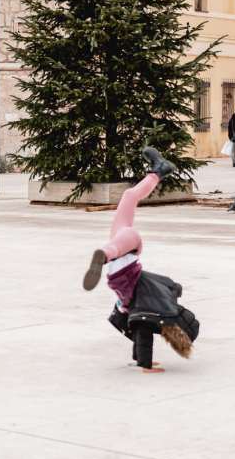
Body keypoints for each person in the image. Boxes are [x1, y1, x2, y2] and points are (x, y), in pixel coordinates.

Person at [82, 148, 200, 373]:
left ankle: (104, 254)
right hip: (122, 263)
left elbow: (142, 333)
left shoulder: (150, 310)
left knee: (131, 235)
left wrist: (145, 365)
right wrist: (140, 359)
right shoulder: (152, 305)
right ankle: (159, 171)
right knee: (129, 197)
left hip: (122, 267)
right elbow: (139, 333)